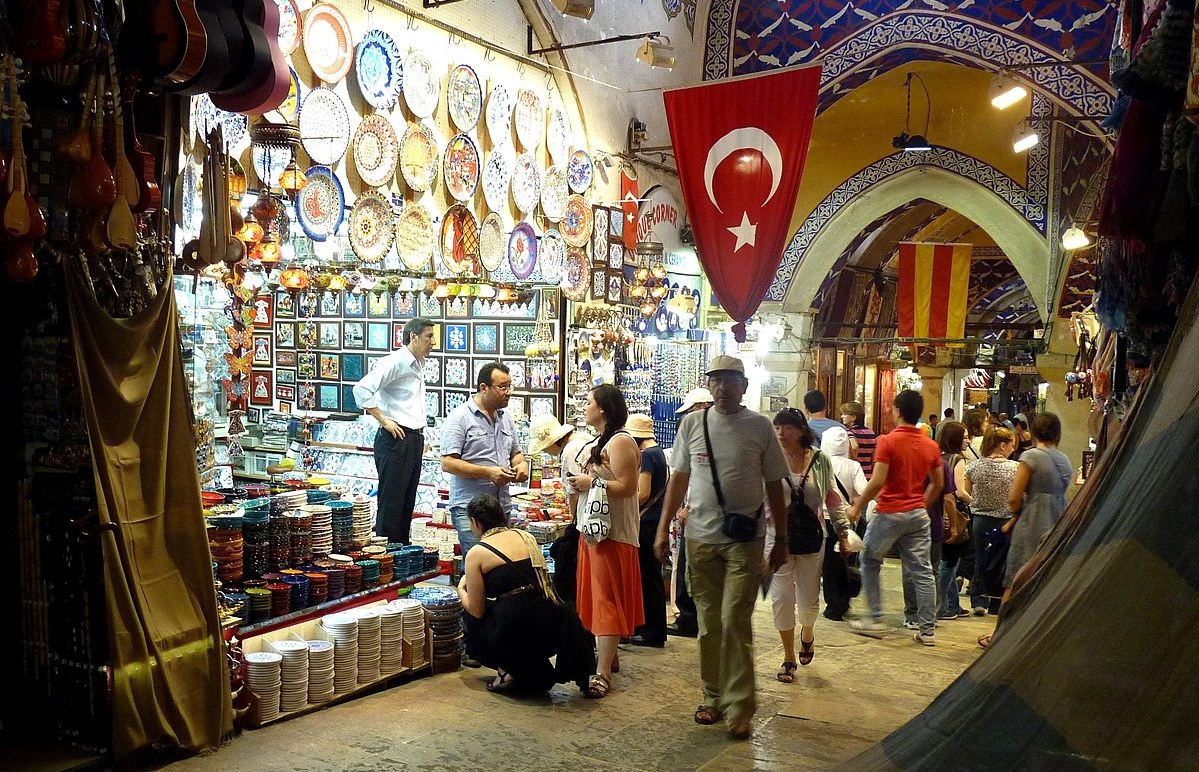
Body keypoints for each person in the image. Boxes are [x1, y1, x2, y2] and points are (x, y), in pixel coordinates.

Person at [653, 355, 789, 741]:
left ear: (744, 385)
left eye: (731, 380)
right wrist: (663, 530)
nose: (723, 387)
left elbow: (775, 484)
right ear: (709, 385)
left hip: (744, 540)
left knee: (735, 620)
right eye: (716, 380)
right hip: (700, 538)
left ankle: (740, 706)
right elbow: (678, 479)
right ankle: (712, 696)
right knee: (709, 623)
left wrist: (781, 539)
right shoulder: (692, 425)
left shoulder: (760, 427)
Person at [458, 494, 595, 694]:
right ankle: (526, 671)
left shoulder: (477, 553)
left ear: (475, 522)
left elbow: (477, 610)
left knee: (472, 615)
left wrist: (461, 590)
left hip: (517, 630)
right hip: (550, 623)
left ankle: (506, 670)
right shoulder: (525, 536)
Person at [848, 390, 944, 646]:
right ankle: (927, 630)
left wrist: (857, 505)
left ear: (898, 410)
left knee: (869, 559)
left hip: (890, 511)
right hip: (917, 515)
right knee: (922, 571)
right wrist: (921, 504)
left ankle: (875, 618)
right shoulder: (930, 445)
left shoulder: (888, 441)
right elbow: (938, 483)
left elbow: (878, 480)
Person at [569, 385, 643, 699]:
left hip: (612, 533)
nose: (584, 407)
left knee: (606, 600)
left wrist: (591, 481)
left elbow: (628, 487)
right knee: (598, 597)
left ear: (603, 409)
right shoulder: (602, 442)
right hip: (596, 531)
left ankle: (601, 673)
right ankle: (609, 658)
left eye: (589, 402)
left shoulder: (622, 441)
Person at [977, 414, 1073, 650]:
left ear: (1035, 432)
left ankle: (1000, 635)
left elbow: (1013, 498)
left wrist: (1017, 512)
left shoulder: (1031, 456)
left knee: (1016, 578)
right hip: (1058, 518)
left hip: (1032, 521)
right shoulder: (1065, 461)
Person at [769, 410, 852, 685]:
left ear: (802, 430)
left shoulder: (819, 460)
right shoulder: (770, 459)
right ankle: (788, 655)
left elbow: (833, 499)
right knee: (781, 596)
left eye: (788, 427)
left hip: (811, 538)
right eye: (778, 427)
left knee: (808, 595)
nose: (781, 432)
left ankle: (807, 632)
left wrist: (842, 533)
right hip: (777, 537)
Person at [352, 317, 435, 544]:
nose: (433, 342)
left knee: (407, 502)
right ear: (413, 337)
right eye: (429, 336)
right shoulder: (396, 361)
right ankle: (387, 559)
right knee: (391, 503)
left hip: (412, 438)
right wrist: (384, 420)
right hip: (395, 438)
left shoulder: (417, 363)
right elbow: (361, 390)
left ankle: (401, 558)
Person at [441, 363, 528, 558]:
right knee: (477, 566)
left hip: (501, 507)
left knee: (499, 568)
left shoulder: (506, 419)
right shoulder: (459, 418)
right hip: (471, 509)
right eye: (502, 387)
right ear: (484, 388)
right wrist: (488, 472)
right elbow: (448, 463)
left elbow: (516, 453)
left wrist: (521, 465)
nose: (508, 392)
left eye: (510, 386)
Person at [667, 387, 713, 638]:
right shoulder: (697, 435)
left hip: (701, 516)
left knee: (689, 566)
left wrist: (688, 508)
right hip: (697, 514)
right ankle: (689, 617)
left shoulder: (707, 438)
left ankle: (690, 619)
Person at [964, 426, 1018, 616]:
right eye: (1011, 445)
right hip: (1006, 521)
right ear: (1002, 446)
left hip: (980, 520)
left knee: (981, 559)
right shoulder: (1015, 468)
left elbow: (966, 492)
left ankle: (978, 599)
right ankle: (996, 602)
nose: (1013, 449)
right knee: (1001, 562)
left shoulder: (974, 466)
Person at [627, 414, 669, 647]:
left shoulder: (647, 456)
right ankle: (652, 629)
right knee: (652, 575)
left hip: (646, 521)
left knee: (647, 577)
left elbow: (643, 492)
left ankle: (651, 631)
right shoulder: (659, 453)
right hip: (655, 520)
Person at [818, 426, 867, 620]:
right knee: (844, 562)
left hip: (824, 519)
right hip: (845, 520)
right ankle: (844, 601)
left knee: (829, 566)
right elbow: (863, 490)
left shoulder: (820, 463)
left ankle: (834, 606)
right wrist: (855, 506)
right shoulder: (852, 466)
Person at [935, 421, 973, 620]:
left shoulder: (939, 457)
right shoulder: (957, 459)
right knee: (950, 563)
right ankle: (941, 606)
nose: (968, 440)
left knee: (947, 561)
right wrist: (973, 503)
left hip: (936, 512)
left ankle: (953, 605)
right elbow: (958, 491)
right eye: (965, 436)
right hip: (953, 513)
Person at [840, 401, 877, 478]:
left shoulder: (849, 432)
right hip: (869, 474)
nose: (842, 416)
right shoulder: (871, 433)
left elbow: (854, 447)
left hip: (855, 475)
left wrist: (853, 457)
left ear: (853, 417)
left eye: (844, 414)